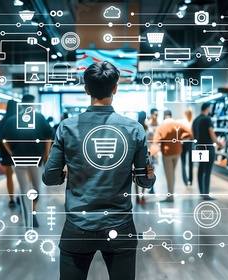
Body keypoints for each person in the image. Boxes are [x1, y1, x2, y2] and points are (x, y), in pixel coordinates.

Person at [42, 61, 155, 280]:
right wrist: (143, 175)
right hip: (120, 225)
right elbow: (144, 181)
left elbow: (49, 177)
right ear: (115, 88)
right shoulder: (134, 128)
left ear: (86, 89)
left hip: (77, 225)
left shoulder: (67, 127)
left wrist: (68, 174)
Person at [0, 94, 54, 227]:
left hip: (19, 159)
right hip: (35, 159)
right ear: (33, 104)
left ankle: (28, 217)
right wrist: (46, 154)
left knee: (24, 190)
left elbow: (4, 140)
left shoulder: (12, 120)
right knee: (36, 188)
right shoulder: (39, 118)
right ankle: (32, 213)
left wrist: (12, 153)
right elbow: (49, 136)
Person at [153, 110, 192, 202]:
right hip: (177, 151)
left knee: (169, 175)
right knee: (172, 173)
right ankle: (171, 194)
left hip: (167, 152)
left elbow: (156, 140)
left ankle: (170, 196)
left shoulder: (161, 127)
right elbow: (190, 133)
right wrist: (180, 138)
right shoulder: (177, 124)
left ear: (164, 116)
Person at [192, 102, 225, 200]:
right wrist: (219, 143)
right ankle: (206, 194)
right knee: (207, 171)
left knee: (201, 169)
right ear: (208, 108)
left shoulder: (196, 120)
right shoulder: (207, 119)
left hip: (198, 146)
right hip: (208, 147)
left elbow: (193, 134)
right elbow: (211, 133)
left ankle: (201, 192)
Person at [0, 100, 17, 208]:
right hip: (17, 151)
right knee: (22, 175)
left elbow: (1, 138)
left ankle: (11, 199)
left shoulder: (2, 121)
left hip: (5, 151)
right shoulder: (16, 121)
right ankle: (22, 196)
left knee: (9, 176)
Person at [178, 109, 194, 186]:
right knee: (183, 162)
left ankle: (190, 179)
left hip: (191, 143)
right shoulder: (182, 122)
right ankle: (185, 180)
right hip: (183, 143)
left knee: (191, 162)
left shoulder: (192, 121)